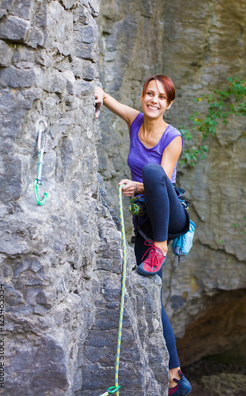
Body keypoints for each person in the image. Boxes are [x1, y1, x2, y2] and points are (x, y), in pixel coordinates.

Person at [95, 75, 192, 396]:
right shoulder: (135, 121)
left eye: (161, 97)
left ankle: (160, 248)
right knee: (151, 295)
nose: (154, 100)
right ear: (142, 96)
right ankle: (175, 375)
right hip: (146, 225)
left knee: (151, 172)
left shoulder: (172, 137)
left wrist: (134, 186)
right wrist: (97, 94)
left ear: (169, 104)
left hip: (169, 216)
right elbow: (110, 101)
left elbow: (160, 179)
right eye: (150, 94)